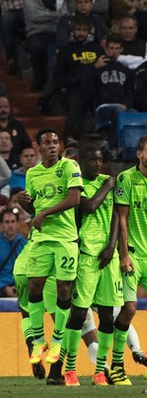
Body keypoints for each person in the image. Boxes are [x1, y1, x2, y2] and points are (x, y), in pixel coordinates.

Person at [16, 129, 82, 369]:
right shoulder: (33, 173)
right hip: (42, 238)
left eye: (56, 142)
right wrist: (28, 205)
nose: (53, 146)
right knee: (34, 285)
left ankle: (57, 339)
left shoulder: (70, 167)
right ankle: (38, 340)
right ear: (39, 147)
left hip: (65, 238)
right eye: (47, 143)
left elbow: (74, 199)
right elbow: (35, 209)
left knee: (64, 290)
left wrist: (42, 212)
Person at [59, 143, 122, 387]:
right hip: (86, 254)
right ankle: (71, 370)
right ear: (80, 162)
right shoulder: (77, 184)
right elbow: (89, 207)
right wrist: (107, 186)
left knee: (107, 316)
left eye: (99, 160)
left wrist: (112, 246)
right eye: (91, 161)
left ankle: (99, 371)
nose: (97, 164)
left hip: (108, 256)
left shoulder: (109, 181)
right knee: (78, 313)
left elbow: (117, 214)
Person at [110, 135, 147, 386]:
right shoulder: (126, 179)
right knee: (129, 309)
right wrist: (123, 254)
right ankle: (117, 366)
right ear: (139, 154)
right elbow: (121, 219)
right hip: (132, 253)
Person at [54, 15, 102, 140]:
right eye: (78, 30)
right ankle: (69, 136)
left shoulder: (97, 49)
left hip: (95, 87)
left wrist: (88, 71)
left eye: (84, 30)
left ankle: (99, 135)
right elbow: (59, 76)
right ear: (73, 31)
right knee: (77, 99)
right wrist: (91, 68)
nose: (81, 33)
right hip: (73, 88)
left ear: (89, 31)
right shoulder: (65, 50)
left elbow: (102, 70)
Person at [0, 209, 27, 297]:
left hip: (23, 287)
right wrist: (4, 287)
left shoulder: (25, 244)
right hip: (2, 287)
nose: (10, 225)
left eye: (13, 221)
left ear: (17, 223)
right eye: (7, 222)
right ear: (2, 224)